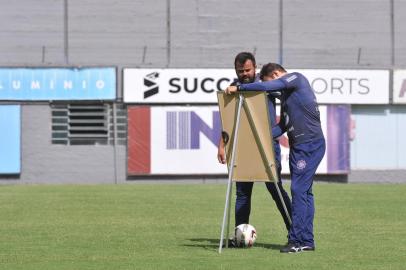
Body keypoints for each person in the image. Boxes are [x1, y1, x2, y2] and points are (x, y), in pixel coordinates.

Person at [225, 63, 326, 253]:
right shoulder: (288, 100)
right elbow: (282, 127)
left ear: (276, 74)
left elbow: (266, 87)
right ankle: (307, 241)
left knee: (298, 190)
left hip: (310, 145)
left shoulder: (297, 78)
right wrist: (258, 138)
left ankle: (296, 241)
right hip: (298, 147)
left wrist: (239, 88)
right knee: (305, 193)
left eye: (272, 81)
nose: (275, 87)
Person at [217, 53, 292, 244]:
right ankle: (239, 235)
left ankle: (295, 231)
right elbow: (228, 119)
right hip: (243, 148)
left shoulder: (267, 84)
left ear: (255, 68)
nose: (244, 74)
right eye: (240, 71)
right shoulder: (233, 88)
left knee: (276, 190)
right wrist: (222, 145)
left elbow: (288, 98)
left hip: (267, 146)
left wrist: (281, 127)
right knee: (242, 193)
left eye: (247, 70)